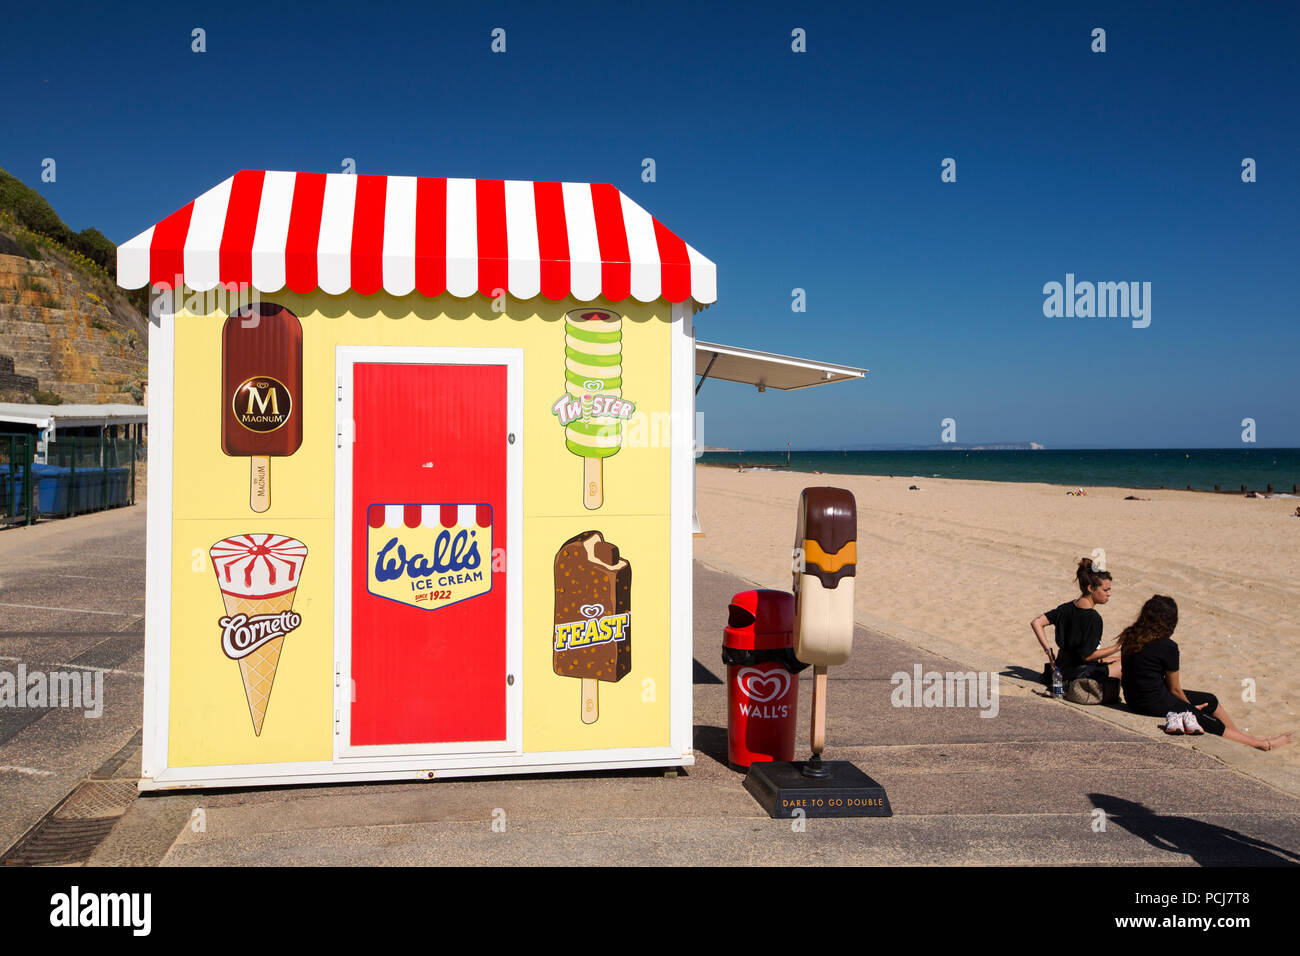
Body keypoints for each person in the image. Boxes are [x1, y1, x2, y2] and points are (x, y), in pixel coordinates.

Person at [1118, 595, 1291, 751]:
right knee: (1204, 719)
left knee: (1210, 700)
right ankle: (1260, 744)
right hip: (1152, 702)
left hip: (1134, 698)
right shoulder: (1167, 646)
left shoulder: (1131, 636)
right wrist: (1191, 709)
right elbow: (1175, 689)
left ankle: (1243, 738)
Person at [1030, 558, 1121, 691]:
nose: (1109, 594)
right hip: (1078, 676)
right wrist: (1118, 646)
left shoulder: (1065, 608)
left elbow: (1037, 622)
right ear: (1090, 588)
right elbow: (1087, 656)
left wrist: (1049, 652)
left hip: (1060, 669)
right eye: (1105, 590)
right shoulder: (1093, 618)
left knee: (1119, 659)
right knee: (1127, 664)